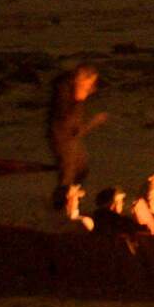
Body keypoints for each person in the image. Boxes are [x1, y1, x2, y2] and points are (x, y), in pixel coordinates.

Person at [45, 63, 106, 215]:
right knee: (67, 172)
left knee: (82, 169)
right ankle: (60, 205)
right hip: (62, 136)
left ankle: (70, 196)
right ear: (81, 78)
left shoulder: (76, 88)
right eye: (89, 82)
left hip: (72, 135)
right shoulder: (65, 90)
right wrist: (80, 99)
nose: (91, 86)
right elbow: (64, 117)